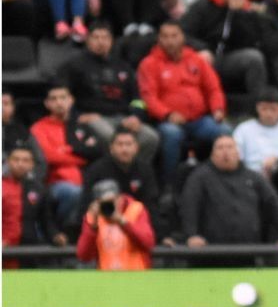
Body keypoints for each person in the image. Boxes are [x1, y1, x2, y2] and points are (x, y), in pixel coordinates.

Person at [137, 20, 230, 181]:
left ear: (183, 37)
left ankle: (221, 178)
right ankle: (169, 183)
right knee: (171, 135)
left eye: (174, 36)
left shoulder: (196, 59)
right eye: (165, 36)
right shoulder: (149, 64)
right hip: (168, 121)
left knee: (224, 131)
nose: (170, 41)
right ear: (159, 39)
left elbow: (213, 88)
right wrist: (167, 114)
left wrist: (218, 109)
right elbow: (148, 97)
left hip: (199, 119)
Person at [180, 135, 278, 264]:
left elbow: (274, 205)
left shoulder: (254, 177)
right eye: (220, 148)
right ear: (212, 154)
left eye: (230, 147)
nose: (225, 152)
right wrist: (191, 235)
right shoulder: (199, 177)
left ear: (238, 153)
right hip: (210, 253)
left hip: (248, 252)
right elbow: (190, 206)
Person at [60, 22, 161, 165]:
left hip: (122, 117)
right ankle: (112, 172)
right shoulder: (75, 65)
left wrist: (136, 117)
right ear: (88, 40)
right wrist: (77, 115)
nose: (101, 42)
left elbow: (137, 98)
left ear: (112, 41)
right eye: (96, 38)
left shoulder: (123, 66)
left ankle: (134, 171)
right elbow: (63, 95)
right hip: (93, 117)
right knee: (110, 137)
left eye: (105, 38)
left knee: (150, 137)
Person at [179, 0, 278, 96]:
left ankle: (258, 104)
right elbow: (183, 33)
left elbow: (250, 42)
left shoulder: (247, 11)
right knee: (201, 59)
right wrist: (201, 48)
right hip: (202, 57)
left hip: (226, 59)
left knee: (254, 58)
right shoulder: (203, 6)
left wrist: (240, 14)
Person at [30, 82, 104, 234]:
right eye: (54, 99)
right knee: (74, 192)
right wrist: (81, 157)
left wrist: (67, 151)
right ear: (47, 103)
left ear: (71, 100)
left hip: (86, 180)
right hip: (54, 184)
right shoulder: (39, 128)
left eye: (63, 98)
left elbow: (97, 151)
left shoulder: (80, 125)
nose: (59, 102)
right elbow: (49, 157)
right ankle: (62, 231)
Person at [79, 129, 159, 225]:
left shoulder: (145, 170)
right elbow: (86, 203)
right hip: (104, 223)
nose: (124, 149)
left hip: (136, 223)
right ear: (111, 148)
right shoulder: (97, 169)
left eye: (129, 144)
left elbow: (151, 203)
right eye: (120, 144)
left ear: (136, 148)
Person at [75, 179, 155, 270]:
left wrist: (123, 222)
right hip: (107, 279)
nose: (111, 205)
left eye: (113, 200)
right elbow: (83, 256)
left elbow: (148, 243)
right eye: (105, 203)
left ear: (120, 197)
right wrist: (93, 227)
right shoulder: (93, 217)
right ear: (97, 203)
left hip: (137, 275)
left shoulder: (136, 210)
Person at [2, 146, 61, 262]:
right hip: (4, 247)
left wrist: (55, 235)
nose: (20, 164)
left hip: (28, 248)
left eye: (25, 160)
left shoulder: (39, 188)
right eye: (16, 159)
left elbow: (46, 219)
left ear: (32, 164)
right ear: (8, 162)